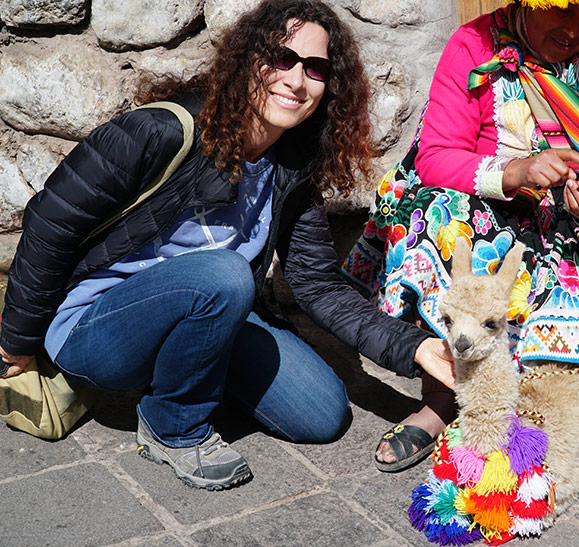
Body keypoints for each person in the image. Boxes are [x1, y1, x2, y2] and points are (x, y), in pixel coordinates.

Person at [0, 0, 455, 491]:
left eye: (315, 68)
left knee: (322, 415)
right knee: (224, 273)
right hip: (95, 326)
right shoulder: (159, 131)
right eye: (281, 58)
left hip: (205, 305)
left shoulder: (290, 169)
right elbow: (52, 221)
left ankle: (186, 364)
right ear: (247, 58)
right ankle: (173, 426)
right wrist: (17, 338)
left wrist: (414, 347)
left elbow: (318, 286)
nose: (296, 80)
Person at [341, 0, 579, 472]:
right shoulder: (472, 45)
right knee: (436, 215)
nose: (574, 30)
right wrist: (515, 172)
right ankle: (443, 394)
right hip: (497, 211)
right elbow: (435, 156)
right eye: (562, 10)